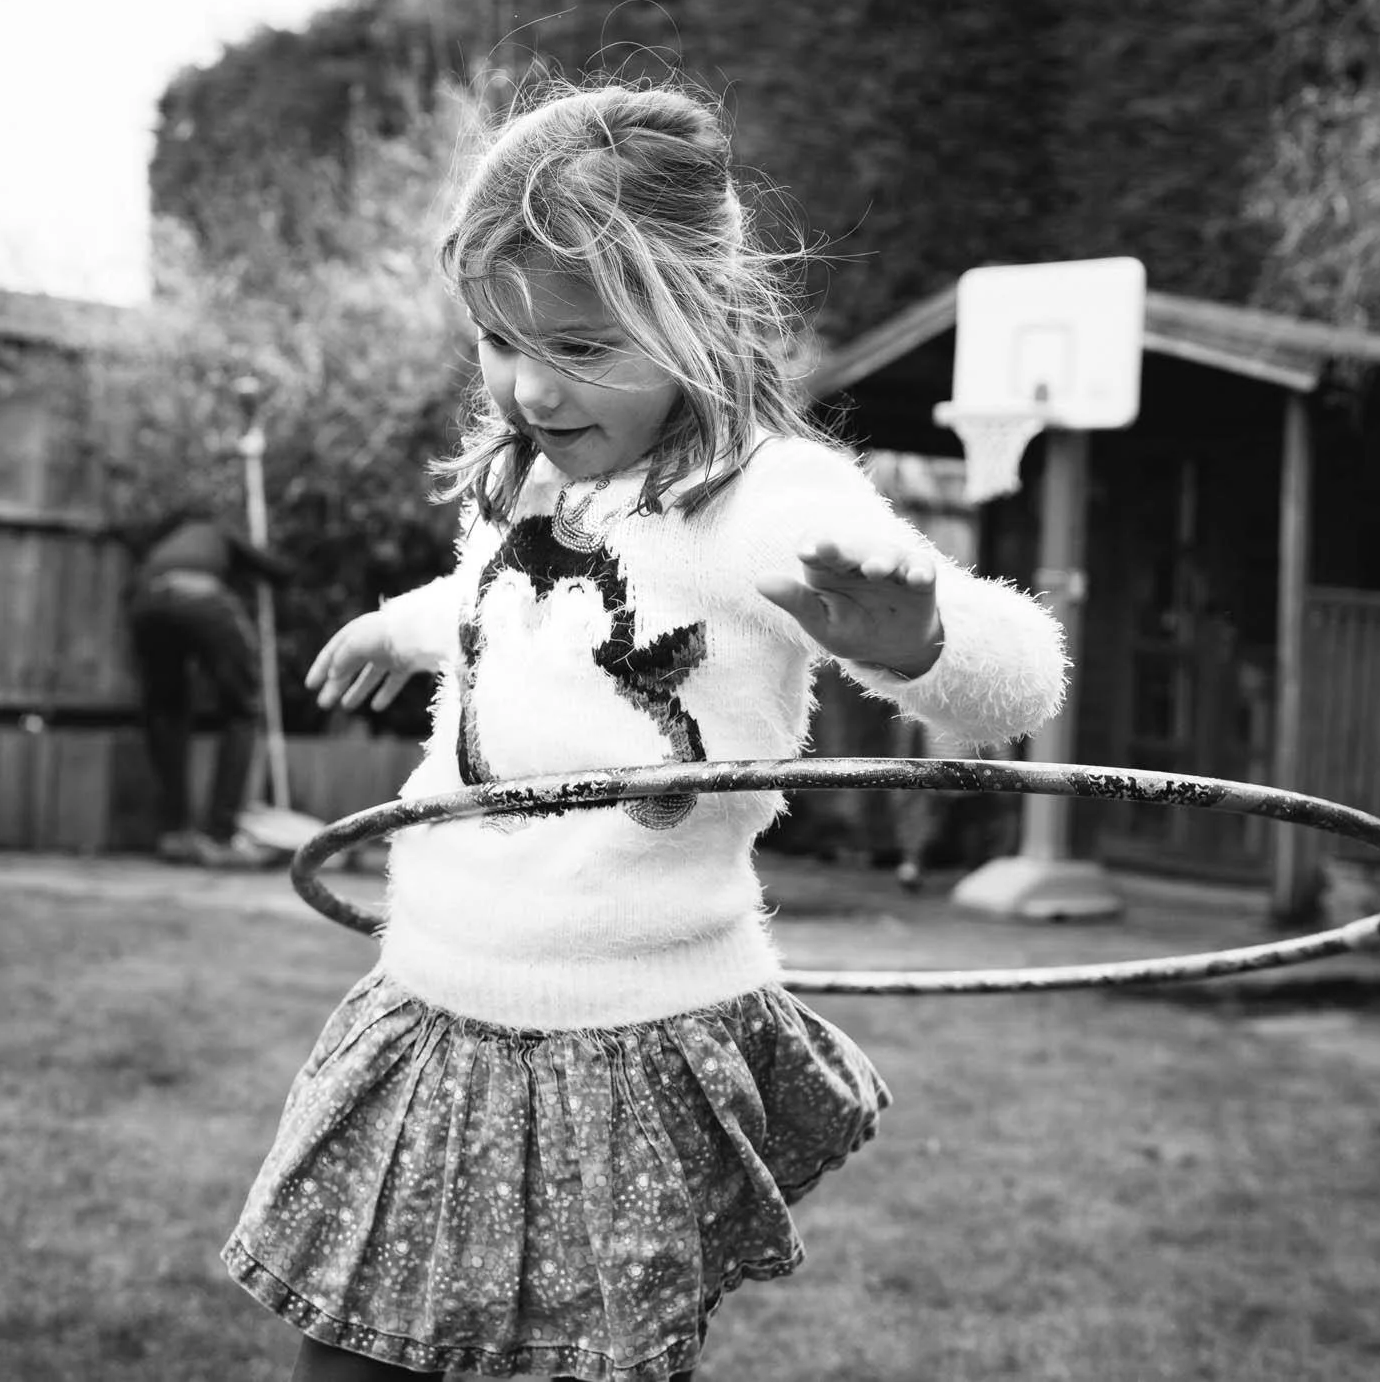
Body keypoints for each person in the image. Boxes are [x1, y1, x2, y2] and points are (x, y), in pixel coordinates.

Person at [222, 82, 1069, 1381]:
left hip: (609, 1044)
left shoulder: (762, 499)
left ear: (696, 310)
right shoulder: (544, 472)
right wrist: (403, 624)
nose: (525, 386)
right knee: (349, 1355)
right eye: (498, 342)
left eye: (576, 345)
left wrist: (917, 643)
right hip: (433, 997)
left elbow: (1018, 680)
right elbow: (511, 608)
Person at [113, 505, 301, 870]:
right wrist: (272, 571)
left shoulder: (161, 545)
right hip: (201, 600)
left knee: (166, 712)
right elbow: (278, 571)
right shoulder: (216, 530)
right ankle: (220, 835)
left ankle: (175, 833)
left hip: (146, 603)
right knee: (242, 710)